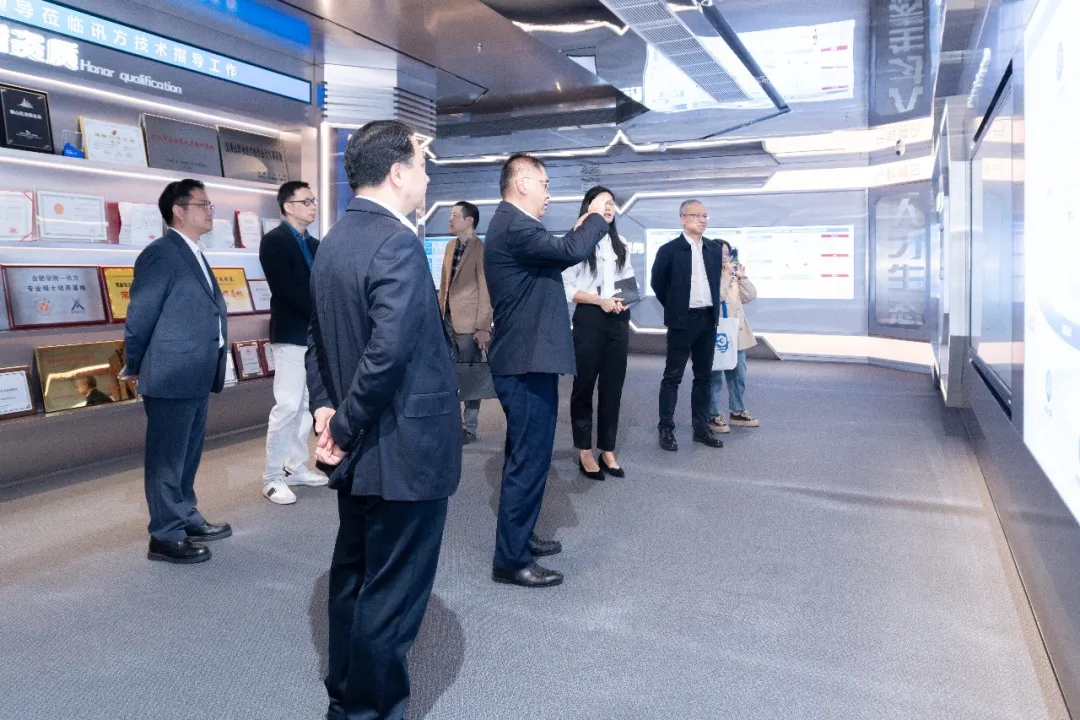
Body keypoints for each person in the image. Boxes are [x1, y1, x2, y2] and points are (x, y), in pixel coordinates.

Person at [305, 120, 461, 720]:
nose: (427, 178)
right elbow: (388, 352)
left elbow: (317, 341)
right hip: (401, 446)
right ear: (397, 173)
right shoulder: (396, 242)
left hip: (363, 447)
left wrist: (327, 410)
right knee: (390, 597)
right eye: (422, 165)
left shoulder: (334, 239)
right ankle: (369, 712)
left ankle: (345, 701)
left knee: (354, 577)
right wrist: (342, 426)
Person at [485, 153, 610, 588]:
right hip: (525, 362)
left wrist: (582, 226)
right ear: (521, 183)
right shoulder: (515, 225)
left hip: (527, 359)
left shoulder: (515, 226)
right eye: (545, 184)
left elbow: (559, 252)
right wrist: (595, 216)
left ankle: (519, 538)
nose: (548, 194)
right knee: (528, 459)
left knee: (527, 456)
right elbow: (570, 250)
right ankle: (511, 560)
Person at [121, 179, 232, 564]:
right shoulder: (160, 254)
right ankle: (165, 535)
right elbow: (140, 314)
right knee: (167, 458)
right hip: (171, 373)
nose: (210, 211)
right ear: (178, 210)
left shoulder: (194, 252)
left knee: (187, 454)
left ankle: (184, 516)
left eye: (210, 204)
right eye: (203, 204)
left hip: (196, 371)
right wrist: (134, 362)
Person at [257, 180, 328, 505]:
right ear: (287, 206)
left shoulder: (315, 244)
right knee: (287, 405)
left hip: (313, 336)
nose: (313, 206)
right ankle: (272, 477)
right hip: (290, 334)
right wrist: (320, 314)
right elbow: (285, 290)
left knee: (305, 405)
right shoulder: (274, 242)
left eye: (314, 201)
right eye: (306, 201)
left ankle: (295, 466)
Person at [562, 186, 634, 480]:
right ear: (588, 206)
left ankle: (607, 449)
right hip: (589, 318)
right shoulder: (575, 242)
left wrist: (624, 300)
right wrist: (598, 301)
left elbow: (628, 282)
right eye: (603, 202)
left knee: (613, 387)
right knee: (584, 386)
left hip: (618, 318)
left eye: (612, 203)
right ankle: (584, 450)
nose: (609, 208)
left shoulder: (621, 243)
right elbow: (566, 287)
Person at [650, 199, 725, 452]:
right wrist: (675, 306)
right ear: (683, 219)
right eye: (696, 215)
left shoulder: (713, 249)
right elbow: (658, 283)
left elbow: (716, 283)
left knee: (704, 377)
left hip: (708, 319)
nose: (702, 220)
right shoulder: (669, 250)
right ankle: (666, 429)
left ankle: (701, 429)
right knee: (673, 377)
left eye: (705, 216)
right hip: (682, 320)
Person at [437, 201, 492, 445]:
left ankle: (469, 427)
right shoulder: (450, 247)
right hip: (447, 320)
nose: (450, 219)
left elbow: (486, 289)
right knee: (449, 373)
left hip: (470, 324)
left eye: (454, 215)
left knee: (471, 375)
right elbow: (444, 285)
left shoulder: (481, 249)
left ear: (469, 220)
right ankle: (451, 423)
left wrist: (483, 326)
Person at [709, 240, 761, 434]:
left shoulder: (733, 276)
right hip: (717, 334)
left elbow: (751, 295)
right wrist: (725, 275)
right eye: (723, 254)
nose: (727, 257)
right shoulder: (709, 274)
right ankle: (713, 414)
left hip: (736, 334)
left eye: (728, 253)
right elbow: (717, 297)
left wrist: (741, 277)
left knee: (738, 374)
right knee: (714, 377)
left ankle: (737, 412)